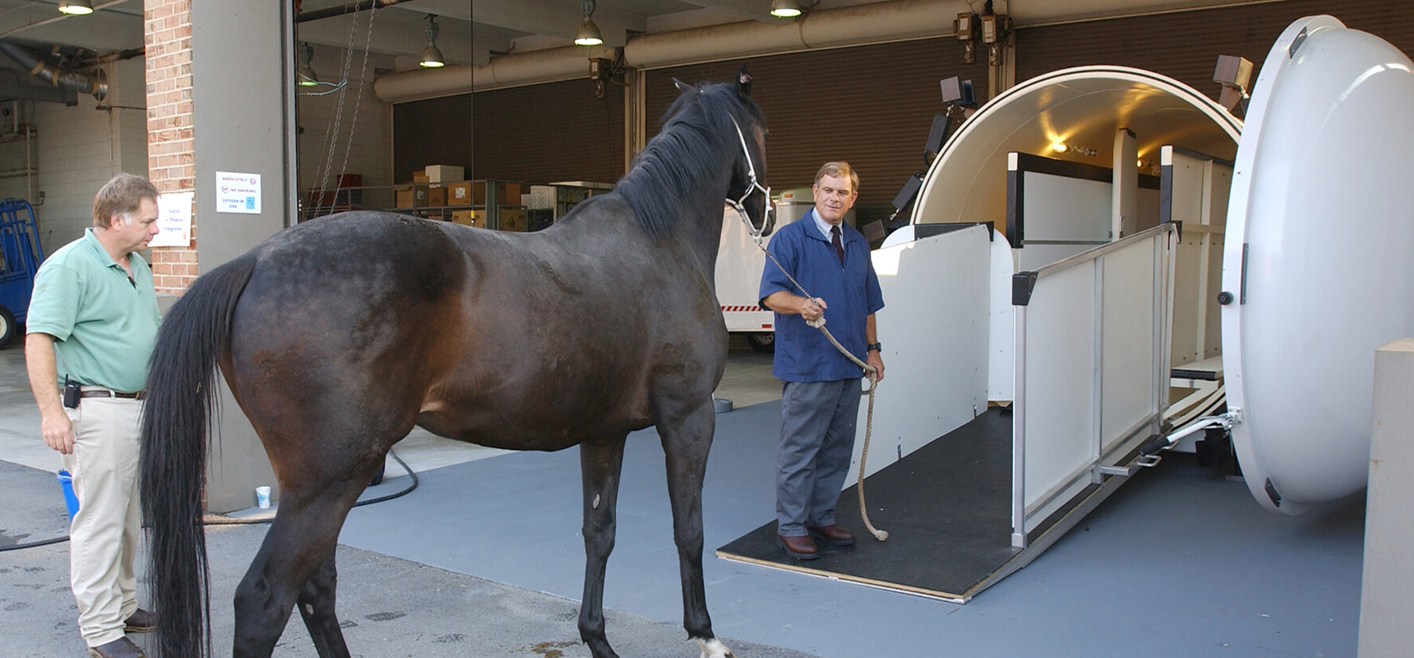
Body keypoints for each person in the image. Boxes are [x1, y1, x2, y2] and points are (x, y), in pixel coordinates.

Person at [25, 173, 162, 658]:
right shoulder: (69, 267)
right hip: (97, 408)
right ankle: (102, 631)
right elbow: (39, 339)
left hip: (137, 406)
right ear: (115, 219)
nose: (154, 230)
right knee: (101, 521)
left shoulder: (137, 266)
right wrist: (51, 414)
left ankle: (123, 606)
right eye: (147, 221)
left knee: (127, 517)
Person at [759, 161, 885, 560]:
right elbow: (770, 296)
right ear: (815, 192)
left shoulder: (858, 244)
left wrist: (873, 349)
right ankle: (791, 527)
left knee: (836, 449)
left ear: (852, 198)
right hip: (809, 366)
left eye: (842, 192)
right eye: (828, 189)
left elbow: (868, 303)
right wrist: (802, 305)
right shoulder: (789, 240)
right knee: (801, 449)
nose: (835, 197)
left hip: (849, 365)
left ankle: (820, 516)